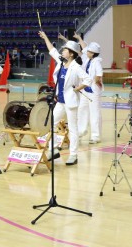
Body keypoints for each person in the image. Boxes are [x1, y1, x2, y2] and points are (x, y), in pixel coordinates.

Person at [38, 30, 91, 166]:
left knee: (73, 129)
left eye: (65, 50)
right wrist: (45, 38)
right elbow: (52, 50)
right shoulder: (61, 63)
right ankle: (54, 149)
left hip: (71, 102)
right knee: (52, 123)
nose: (63, 51)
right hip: (60, 101)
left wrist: (77, 89)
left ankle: (73, 155)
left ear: (71, 54)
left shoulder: (76, 67)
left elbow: (87, 80)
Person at [60, 33, 104, 144]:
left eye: (89, 51)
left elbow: (99, 75)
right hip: (85, 89)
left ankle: (95, 135)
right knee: (82, 110)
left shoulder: (97, 61)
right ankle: (82, 130)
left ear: (93, 53)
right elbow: (82, 48)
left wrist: (95, 82)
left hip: (93, 90)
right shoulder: (87, 59)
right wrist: (79, 38)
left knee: (94, 112)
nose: (86, 52)